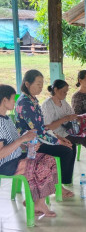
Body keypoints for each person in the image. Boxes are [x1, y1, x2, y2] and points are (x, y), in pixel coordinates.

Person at [15, 70, 75, 198]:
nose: (41, 87)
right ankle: (58, 186)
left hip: (38, 139)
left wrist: (58, 137)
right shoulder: (25, 103)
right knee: (66, 151)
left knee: (69, 146)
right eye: (37, 84)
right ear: (27, 83)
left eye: (42, 84)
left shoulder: (33, 100)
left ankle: (59, 184)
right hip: (30, 145)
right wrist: (59, 141)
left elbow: (43, 127)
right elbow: (39, 133)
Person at [0, 84, 57, 217]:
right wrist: (22, 139)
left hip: (17, 157)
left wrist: (28, 146)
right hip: (6, 164)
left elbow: (15, 143)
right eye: (13, 99)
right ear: (4, 100)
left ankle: (38, 201)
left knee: (49, 159)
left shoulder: (8, 119)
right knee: (40, 167)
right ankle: (38, 203)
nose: (15, 102)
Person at [42, 80, 86, 167]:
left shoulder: (63, 102)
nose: (66, 94)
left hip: (69, 129)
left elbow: (73, 116)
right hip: (58, 133)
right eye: (64, 92)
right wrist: (65, 119)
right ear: (55, 90)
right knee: (85, 139)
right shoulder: (47, 105)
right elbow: (49, 127)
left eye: (66, 92)